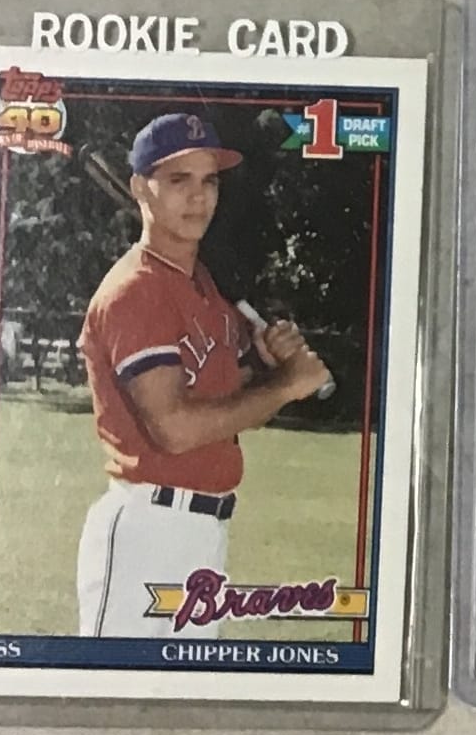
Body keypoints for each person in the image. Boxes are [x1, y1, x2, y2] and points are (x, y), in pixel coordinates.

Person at [75, 113, 330, 638]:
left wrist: (262, 366)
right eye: (178, 180)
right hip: (146, 529)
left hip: (203, 531)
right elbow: (174, 429)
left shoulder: (205, 288)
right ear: (139, 188)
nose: (198, 197)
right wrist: (286, 386)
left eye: (208, 180)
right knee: (120, 689)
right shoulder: (135, 292)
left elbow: (221, 407)